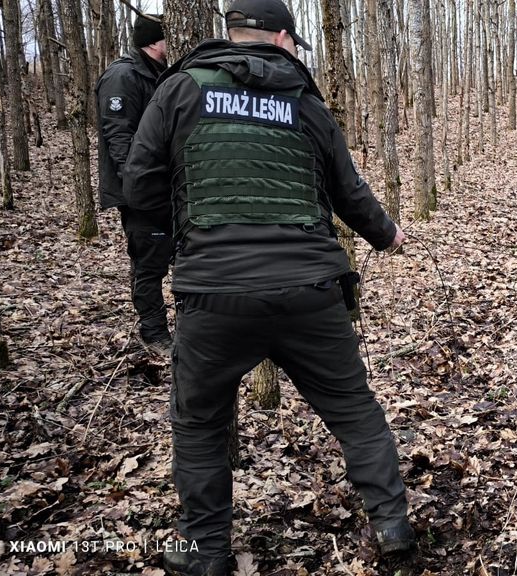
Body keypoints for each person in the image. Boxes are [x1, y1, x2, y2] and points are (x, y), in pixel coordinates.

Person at [122, 1, 414, 573]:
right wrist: (386, 236)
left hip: (214, 297)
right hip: (310, 289)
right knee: (354, 409)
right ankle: (392, 524)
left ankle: (206, 552)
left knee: (201, 423)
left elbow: (139, 180)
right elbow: (349, 192)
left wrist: (182, 238)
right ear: (280, 38)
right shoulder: (304, 105)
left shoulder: (180, 90)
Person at [96, 14, 172, 350]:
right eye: (168, 38)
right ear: (156, 42)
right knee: (149, 261)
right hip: (141, 190)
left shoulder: (159, 74)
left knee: (161, 255)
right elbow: (118, 133)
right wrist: (136, 184)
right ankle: (154, 333)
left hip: (162, 186)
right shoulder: (123, 75)